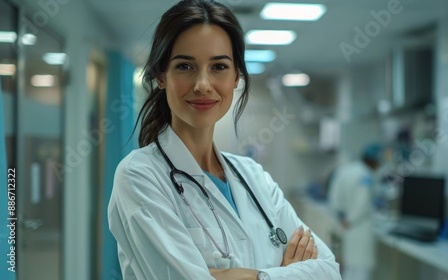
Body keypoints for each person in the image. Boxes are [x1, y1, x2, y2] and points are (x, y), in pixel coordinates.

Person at [107, 1, 341, 279]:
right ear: (161, 76)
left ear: (235, 77)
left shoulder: (253, 176)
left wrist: (245, 276)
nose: (203, 84)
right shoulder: (140, 176)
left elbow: (328, 270)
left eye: (218, 66)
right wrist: (284, 273)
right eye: (185, 66)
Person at [327, 144, 383, 280]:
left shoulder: (346, 170)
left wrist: (342, 217)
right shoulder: (365, 176)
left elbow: (333, 197)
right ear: (373, 160)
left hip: (345, 226)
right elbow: (363, 204)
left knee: (349, 269)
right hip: (359, 228)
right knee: (361, 270)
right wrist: (350, 220)